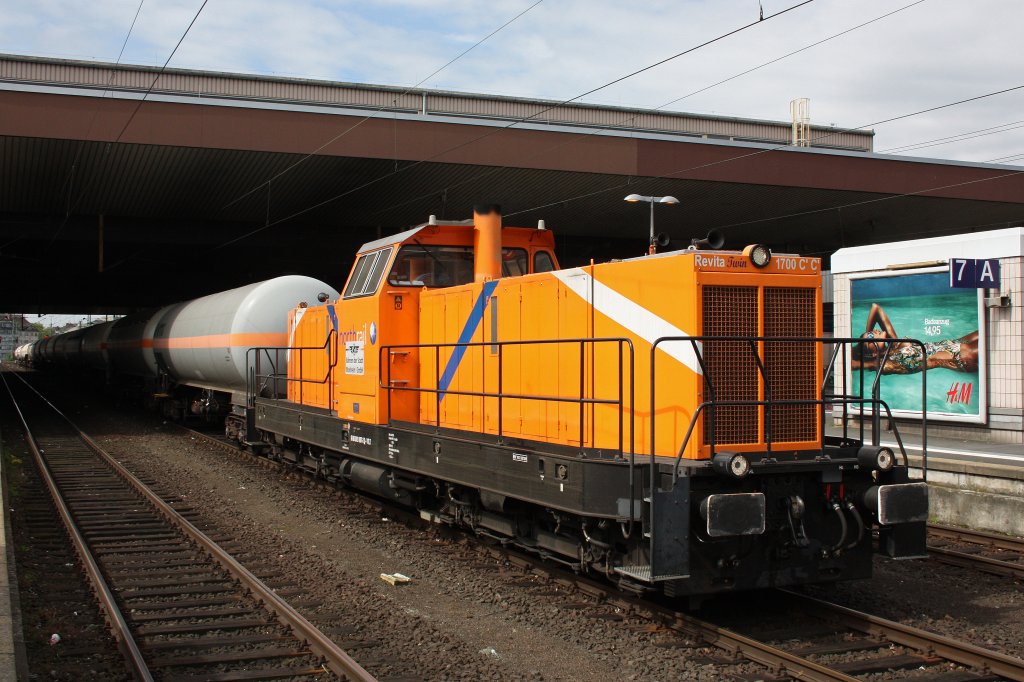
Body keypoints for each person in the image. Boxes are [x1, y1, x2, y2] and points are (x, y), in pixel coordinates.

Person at [852, 302, 978, 374]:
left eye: (870, 333)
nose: (873, 331)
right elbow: (855, 365)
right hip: (957, 357)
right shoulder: (887, 363)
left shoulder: (894, 343)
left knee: (987, 331)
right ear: (873, 353)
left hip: (955, 343)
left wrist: (867, 336)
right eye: (870, 336)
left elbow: (876, 308)